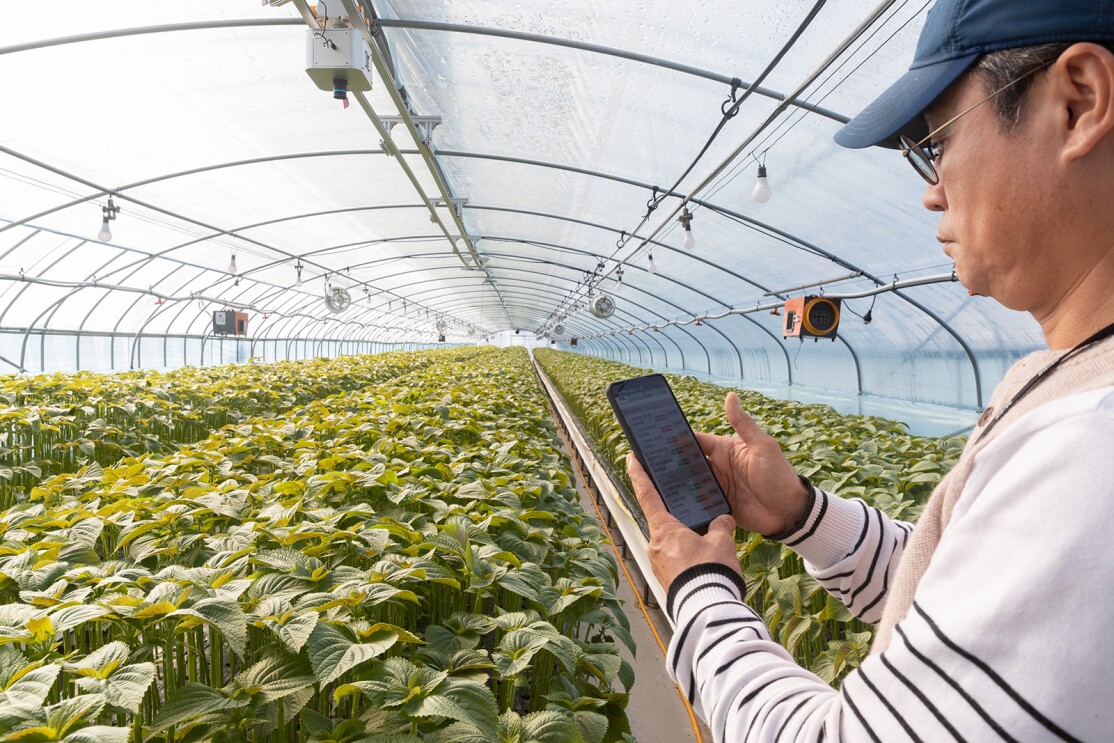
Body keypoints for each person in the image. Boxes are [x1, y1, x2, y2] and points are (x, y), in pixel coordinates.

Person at [627, 0, 1114, 740]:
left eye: (933, 142)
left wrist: (697, 586)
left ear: (1078, 100)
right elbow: (969, 597)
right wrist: (801, 515)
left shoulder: (1091, 449)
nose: (930, 189)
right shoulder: (1072, 379)